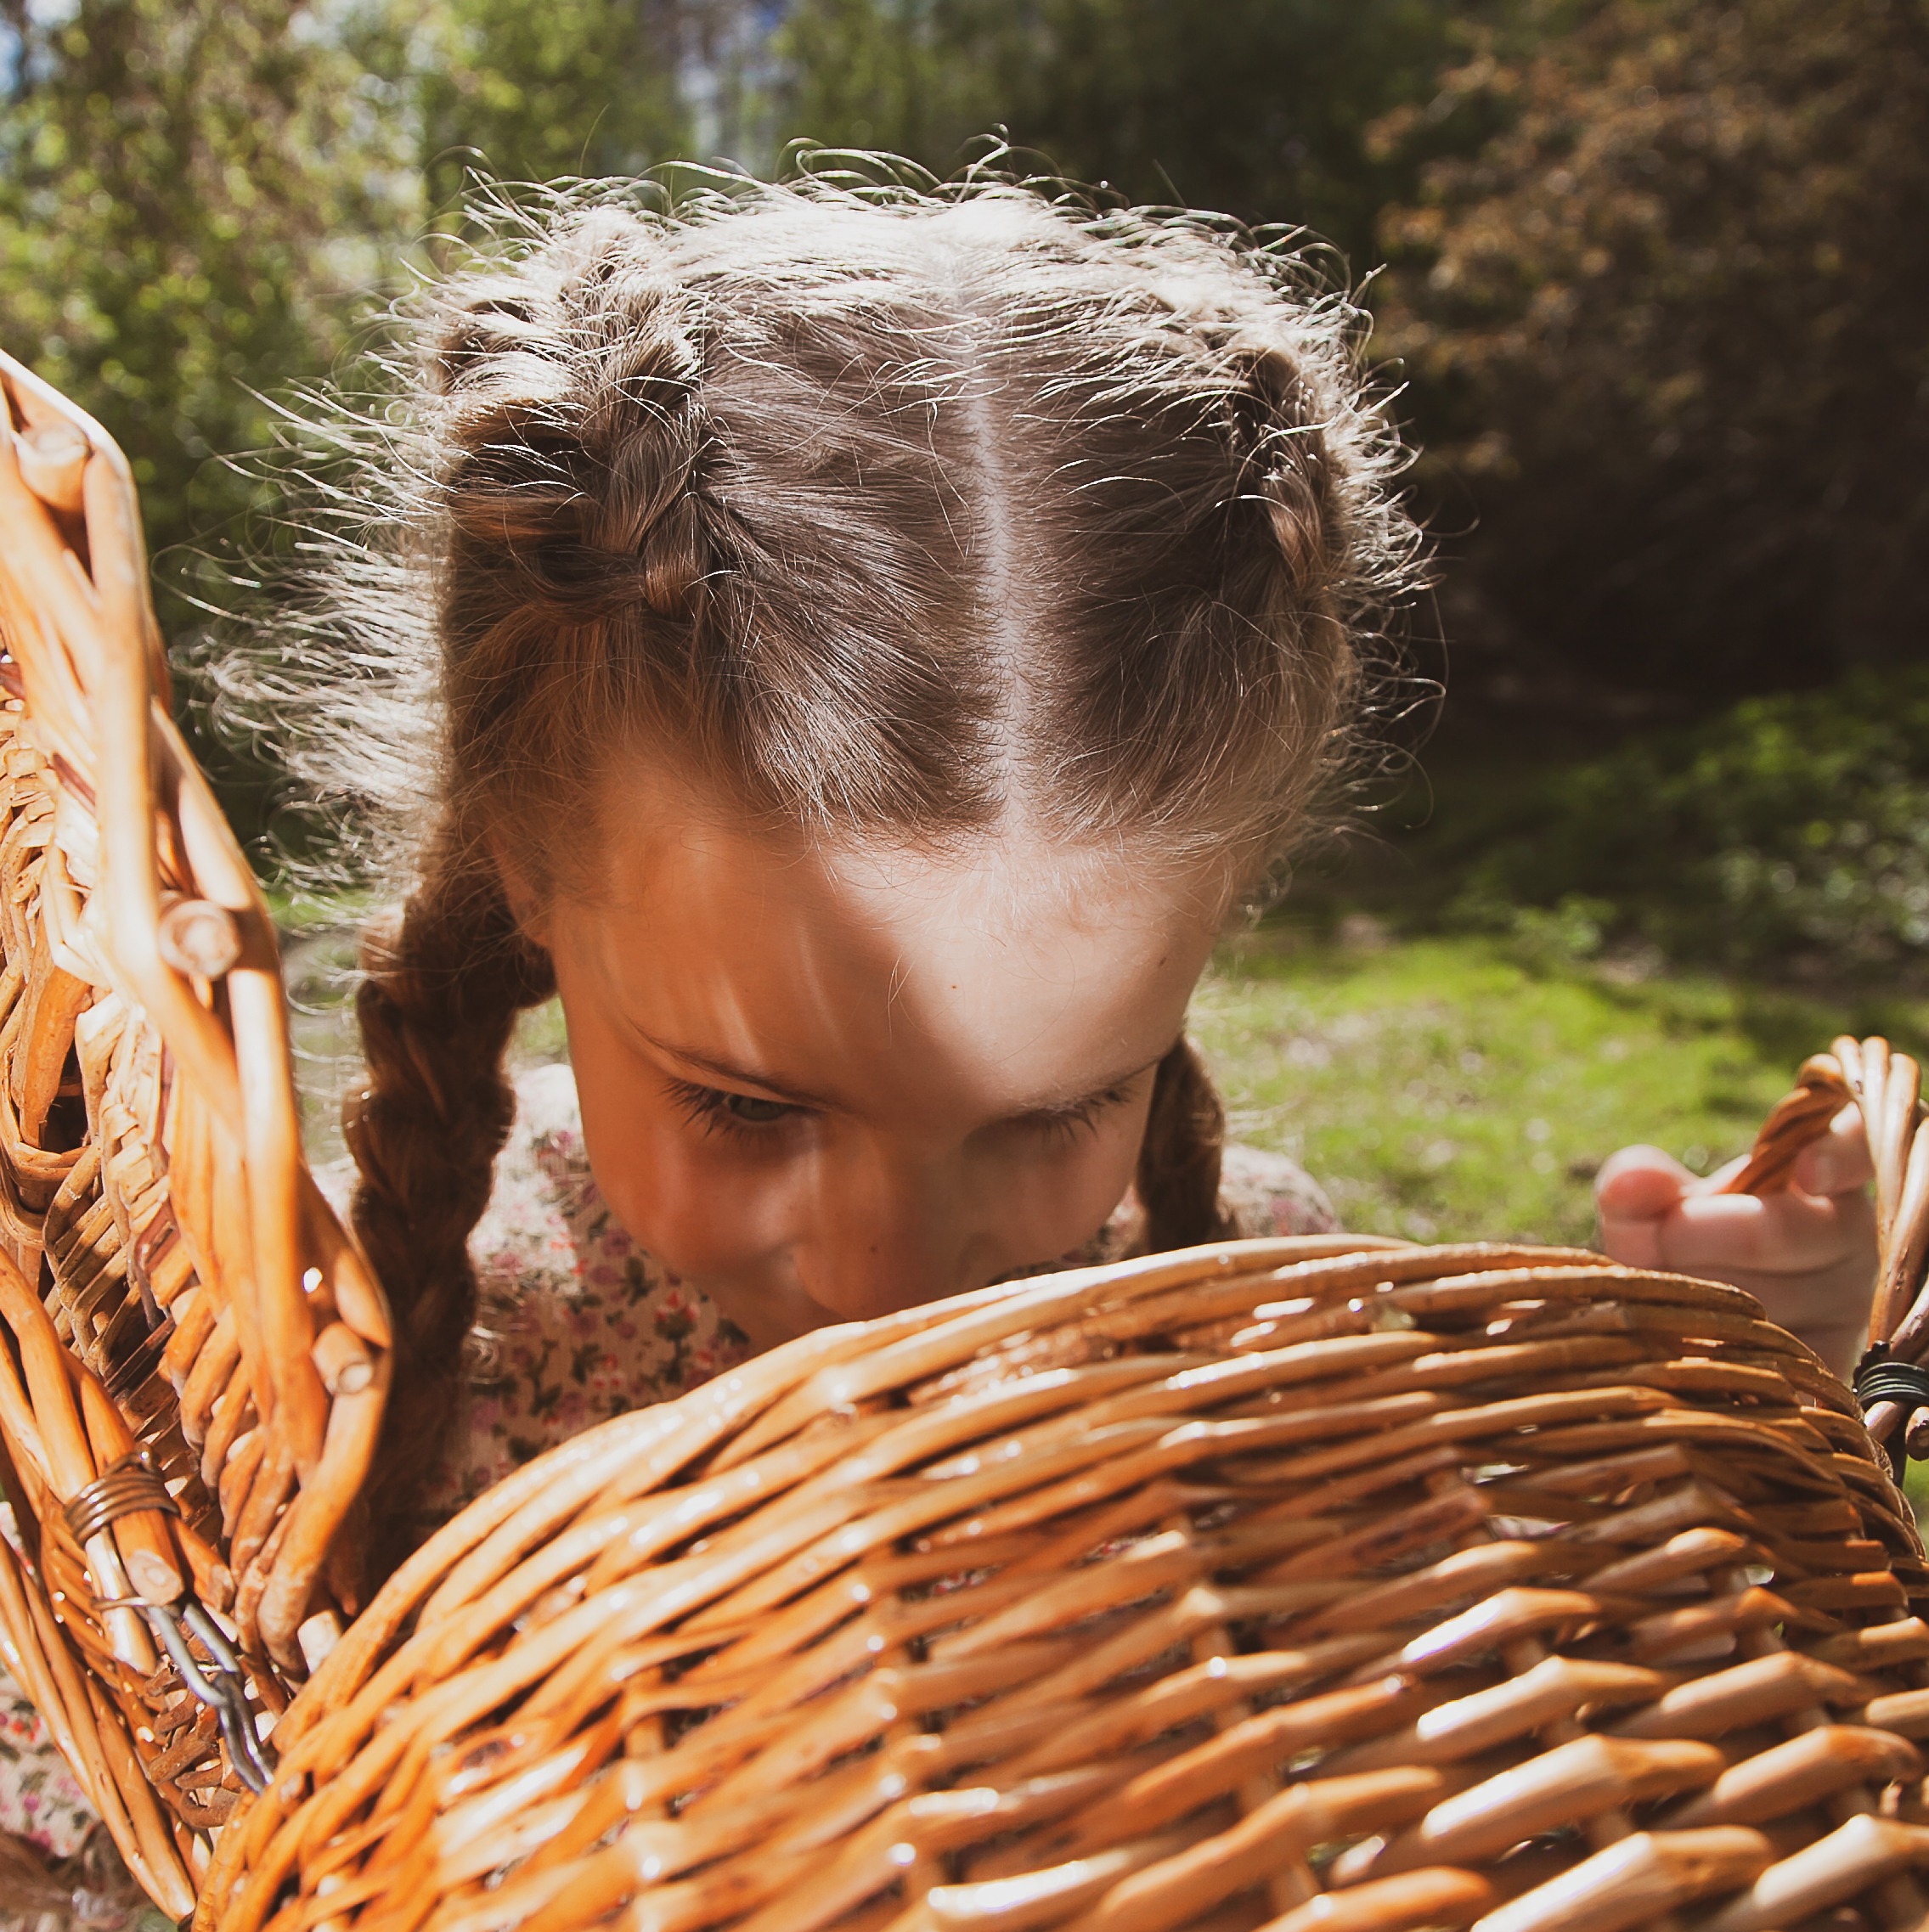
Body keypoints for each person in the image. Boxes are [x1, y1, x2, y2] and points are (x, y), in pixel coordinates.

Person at [220, 170, 1874, 1559]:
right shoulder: (377, 1379)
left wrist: (1745, 1447)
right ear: (524, 859)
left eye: (1054, 1108)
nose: (887, 1276)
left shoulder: (1256, 1312)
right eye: (748, 1104)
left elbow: (1531, 1792)